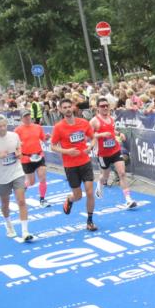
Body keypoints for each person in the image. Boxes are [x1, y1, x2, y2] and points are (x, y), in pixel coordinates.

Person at [0, 115, 33, 241]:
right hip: (1, 177)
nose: (2, 128)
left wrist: (19, 153)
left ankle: (25, 231)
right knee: (5, 204)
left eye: (4, 125)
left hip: (17, 172)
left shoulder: (14, 135)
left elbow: (19, 147)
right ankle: (8, 224)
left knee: (21, 201)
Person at [50, 97, 97, 231]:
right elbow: (53, 146)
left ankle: (90, 221)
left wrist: (90, 147)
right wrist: (67, 151)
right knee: (78, 196)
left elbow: (93, 138)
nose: (67, 109)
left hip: (85, 162)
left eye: (69, 107)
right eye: (64, 108)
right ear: (60, 110)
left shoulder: (83, 122)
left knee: (89, 192)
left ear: (73, 108)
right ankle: (70, 200)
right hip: (70, 165)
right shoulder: (58, 127)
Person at [90, 98, 136, 209]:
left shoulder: (111, 119)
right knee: (105, 176)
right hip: (103, 153)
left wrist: (119, 133)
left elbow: (111, 131)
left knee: (122, 173)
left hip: (115, 150)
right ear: (97, 108)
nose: (105, 107)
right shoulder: (94, 121)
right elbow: (88, 135)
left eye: (107, 105)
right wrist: (101, 135)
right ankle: (100, 184)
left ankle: (128, 199)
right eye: (102, 106)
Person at [15, 109, 49, 207]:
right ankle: (22, 188)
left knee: (42, 177)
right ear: (21, 118)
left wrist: (46, 137)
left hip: (38, 155)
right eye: (25, 116)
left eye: (28, 115)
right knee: (31, 182)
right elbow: (14, 145)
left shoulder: (38, 127)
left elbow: (43, 139)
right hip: (26, 158)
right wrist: (18, 153)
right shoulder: (18, 130)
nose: (27, 118)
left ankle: (42, 199)